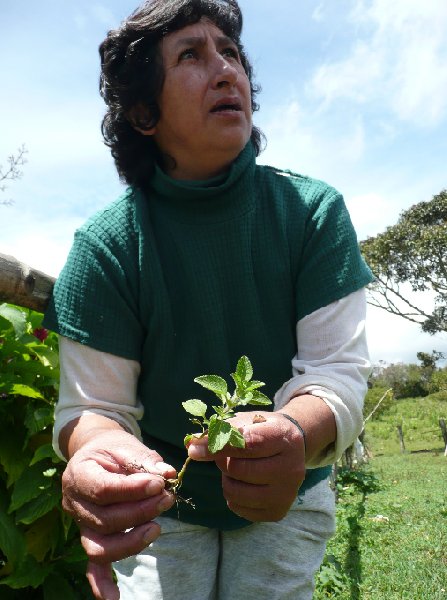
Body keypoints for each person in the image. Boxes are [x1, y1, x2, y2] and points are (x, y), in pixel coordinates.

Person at [43, 1, 374, 598]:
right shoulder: (107, 247)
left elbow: (336, 372)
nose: (227, 71)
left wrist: (293, 433)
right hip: (163, 499)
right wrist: (100, 450)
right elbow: (95, 407)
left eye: (231, 53)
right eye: (191, 55)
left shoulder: (312, 214)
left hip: (289, 496)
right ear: (144, 112)